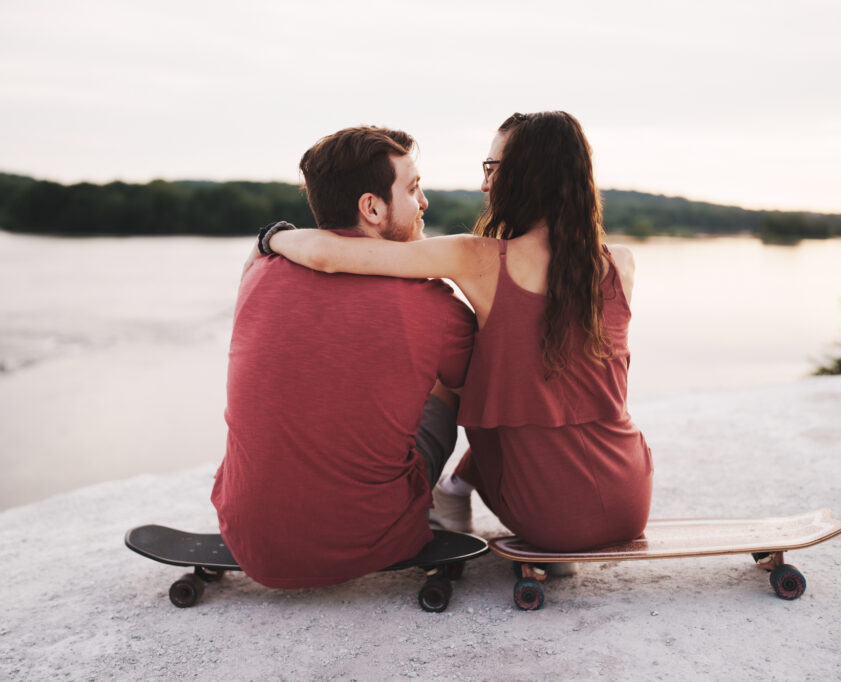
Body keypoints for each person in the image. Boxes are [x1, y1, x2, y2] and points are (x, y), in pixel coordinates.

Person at [263, 112, 653, 553]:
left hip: (548, 518)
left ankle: (451, 491)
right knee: (543, 371)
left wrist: (271, 238)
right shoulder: (621, 263)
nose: (485, 184)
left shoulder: (476, 258)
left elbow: (329, 255)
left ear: (527, 174)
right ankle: (456, 488)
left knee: (460, 362)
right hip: (631, 499)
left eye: (492, 168)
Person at [212, 126, 475, 588]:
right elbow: (486, 392)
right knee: (453, 379)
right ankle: (452, 492)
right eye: (412, 189)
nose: (424, 202)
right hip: (375, 539)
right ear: (372, 208)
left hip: (249, 540)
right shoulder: (434, 305)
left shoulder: (259, 273)